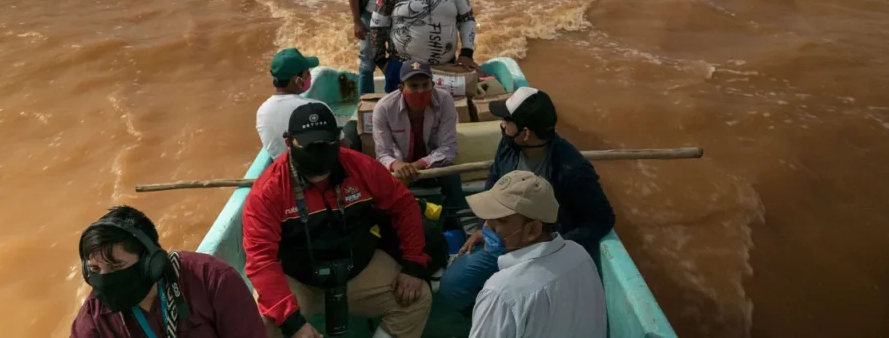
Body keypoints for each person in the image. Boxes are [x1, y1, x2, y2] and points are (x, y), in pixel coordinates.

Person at [242, 102, 432, 338]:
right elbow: (261, 261)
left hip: (358, 269)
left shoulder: (362, 166)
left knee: (418, 297)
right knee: (259, 324)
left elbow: (403, 205)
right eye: (310, 145)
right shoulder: (267, 192)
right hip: (297, 280)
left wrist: (413, 264)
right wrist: (293, 323)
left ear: (337, 139)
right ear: (288, 142)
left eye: (326, 143)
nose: (319, 151)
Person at [438, 86, 616, 312]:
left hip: (543, 251)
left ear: (526, 133)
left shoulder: (572, 169)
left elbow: (601, 220)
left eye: (506, 120)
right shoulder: (510, 144)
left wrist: (555, 246)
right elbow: (495, 176)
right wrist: (487, 227)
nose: (502, 125)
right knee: (453, 286)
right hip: (503, 239)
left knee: (532, 304)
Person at [71, 205, 266, 337]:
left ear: (151, 262)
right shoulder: (93, 319)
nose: (104, 280)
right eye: (95, 269)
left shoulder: (213, 280)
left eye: (116, 267)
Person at [465, 171, 607, 338]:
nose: (487, 227)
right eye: (488, 218)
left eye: (501, 221)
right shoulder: (578, 253)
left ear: (533, 230)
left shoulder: (500, 293)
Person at [371, 60, 467, 228]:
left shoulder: (444, 100)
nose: (421, 91)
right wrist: (396, 165)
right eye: (414, 86)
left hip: (432, 167)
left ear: (433, 84)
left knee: (452, 176)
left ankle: (455, 226)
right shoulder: (384, 108)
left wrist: (418, 165)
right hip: (399, 172)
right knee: (382, 194)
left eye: (425, 85)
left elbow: (449, 148)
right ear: (402, 88)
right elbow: (382, 154)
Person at [255, 48, 322, 159]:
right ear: (297, 80)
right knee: (352, 128)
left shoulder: (261, 112)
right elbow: (343, 145)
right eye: (307, 73)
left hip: (286, 171)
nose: (310, 76)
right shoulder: (316, 107)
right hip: (317, 170)